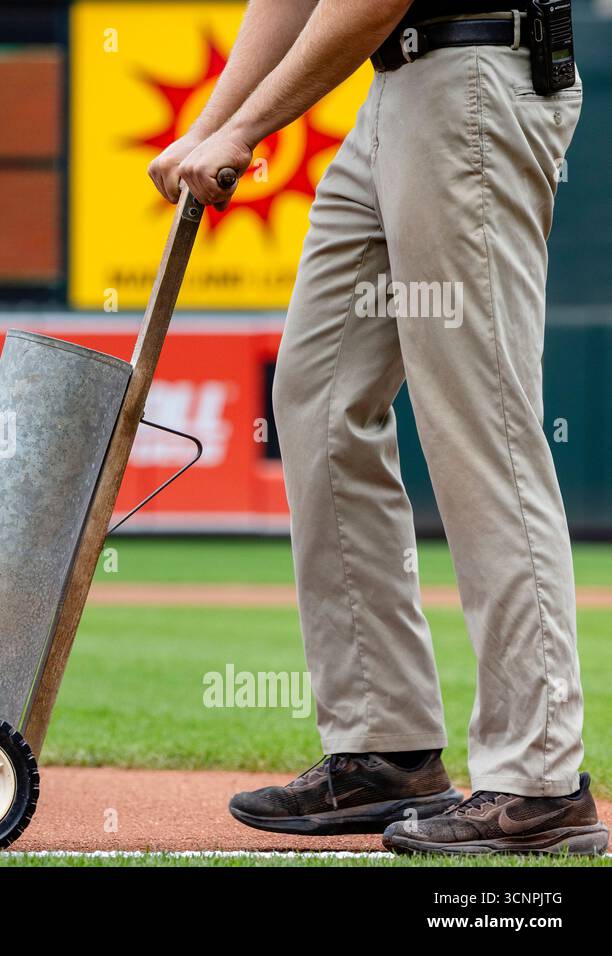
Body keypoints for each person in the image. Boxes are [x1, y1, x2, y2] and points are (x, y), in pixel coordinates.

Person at [149, 0, 607, 854]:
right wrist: (206, 127)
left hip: (478, 71)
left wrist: (244, 127)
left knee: (482, 420)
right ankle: (384, 745)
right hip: (397, 88)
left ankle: (540, 782)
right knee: (317, 395)